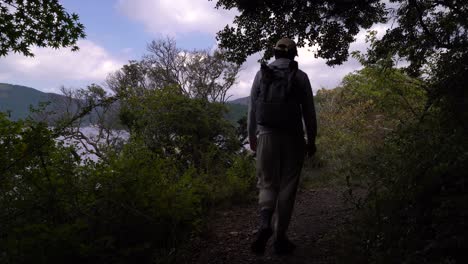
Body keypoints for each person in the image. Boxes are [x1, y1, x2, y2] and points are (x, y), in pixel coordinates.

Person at [248, 38, 317, 255]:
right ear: (294, 55)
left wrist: (252, 137)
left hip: (266, 135)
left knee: (267, 183)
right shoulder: (301, 76)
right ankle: (279, 239)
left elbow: (251, 110)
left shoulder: (262, 74)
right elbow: (309, 113)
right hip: (293, 139)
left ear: (275, 54)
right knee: (287, 187)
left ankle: (264, 223)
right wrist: (311, 140)